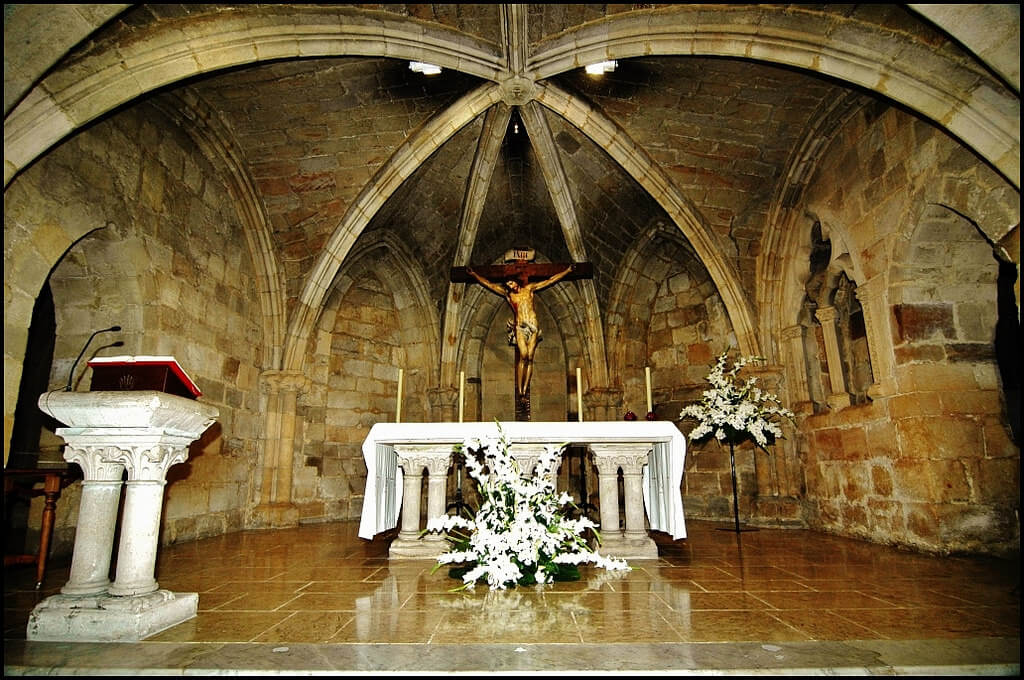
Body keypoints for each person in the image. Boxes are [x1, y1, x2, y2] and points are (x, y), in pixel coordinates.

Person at [466, 264, 575, 399]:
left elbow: (550, 280)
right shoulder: (509, 295)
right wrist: (475, 275)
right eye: (508, 285)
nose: (511, 286)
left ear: (515, 280)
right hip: (520, 327)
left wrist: (567, 270)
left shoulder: (529, 289)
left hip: (533, 326)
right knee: (523, 355)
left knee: (529, 358)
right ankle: (519, 390)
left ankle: (524, 389)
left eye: (511, 283)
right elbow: (490, 285)